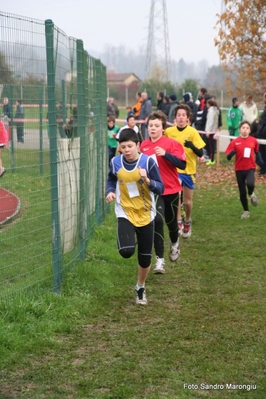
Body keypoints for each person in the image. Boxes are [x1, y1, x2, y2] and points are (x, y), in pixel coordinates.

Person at [105, 128, 164, 305]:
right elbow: (111, 179)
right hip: (125, 211)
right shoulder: (115, 162)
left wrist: (147, 181)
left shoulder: (148, 162)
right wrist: (110, 192)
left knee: (145, 257)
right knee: (126, 251)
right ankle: (131, 236)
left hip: (146, 213)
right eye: (123, 147)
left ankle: (140, 287)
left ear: (138, 145)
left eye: (130, 146)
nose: (127, 150)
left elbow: (161, 188)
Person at [140, 111, 186, 274]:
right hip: (154, 190)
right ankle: (160, 260)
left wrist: (165, 154)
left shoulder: (172, 144)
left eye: (156, 126)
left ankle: (175, 243)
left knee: (171, 223)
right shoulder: (143, 146)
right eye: (151, 125)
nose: (153, 128)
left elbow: (181, 164)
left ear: (163, 128)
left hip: (172, 189)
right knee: (157, 221)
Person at [165, 104, 205, 238]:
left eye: (183, 115)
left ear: (188, 118)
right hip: (174, 170)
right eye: (178, 115)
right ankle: (178, 222)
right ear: (175, 118)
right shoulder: (169, 132)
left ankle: (187, 220)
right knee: (176, 198)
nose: (181, 118)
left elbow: (200, 153)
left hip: (189, 171)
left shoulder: (192, 132)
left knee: (187, 201)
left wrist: (192, 146)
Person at [225, 121, 262, 219]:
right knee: (242, 191)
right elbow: (228, 156)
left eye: (247, 128)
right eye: (243, 128)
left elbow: (257, 152)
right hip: (239, 169)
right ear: (239, 129)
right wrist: (231, 153)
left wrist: (261, 162)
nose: (245, 130)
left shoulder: (253, 140)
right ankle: (246, 211)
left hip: (250, 167)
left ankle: (251, 193)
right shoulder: (234, 141)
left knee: (250, 184)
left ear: (250, 130)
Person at [204, 99, 219, 165]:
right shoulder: (215, 110)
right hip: (213, 130)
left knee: (210, 146)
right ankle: (211, 159)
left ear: (209, 104)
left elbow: (210, 122)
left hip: (211, 131)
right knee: (211, 145)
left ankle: (211, 159)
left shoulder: (211, 111)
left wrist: (208, 131)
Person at [255, 92, 266, 176]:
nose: (263, 99)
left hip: (263, 135)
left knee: (262, 153)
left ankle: (263, 170)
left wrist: (260, 133)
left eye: (263, 97)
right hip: (261, 134)